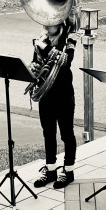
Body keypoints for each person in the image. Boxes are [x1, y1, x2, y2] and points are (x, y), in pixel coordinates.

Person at [29, 20, 77, 190]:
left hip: (63, 95)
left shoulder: (70, 38)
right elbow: (35, 61)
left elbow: (66, 61)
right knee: (48, 133)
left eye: (49, 25)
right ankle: (50, 170)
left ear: (60, 23)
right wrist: (33, 67)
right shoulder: (42, 40)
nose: (45, 28)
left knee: (66, 134)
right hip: (46, 95)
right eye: (44, 25)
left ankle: (68, 171)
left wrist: (45, 47)